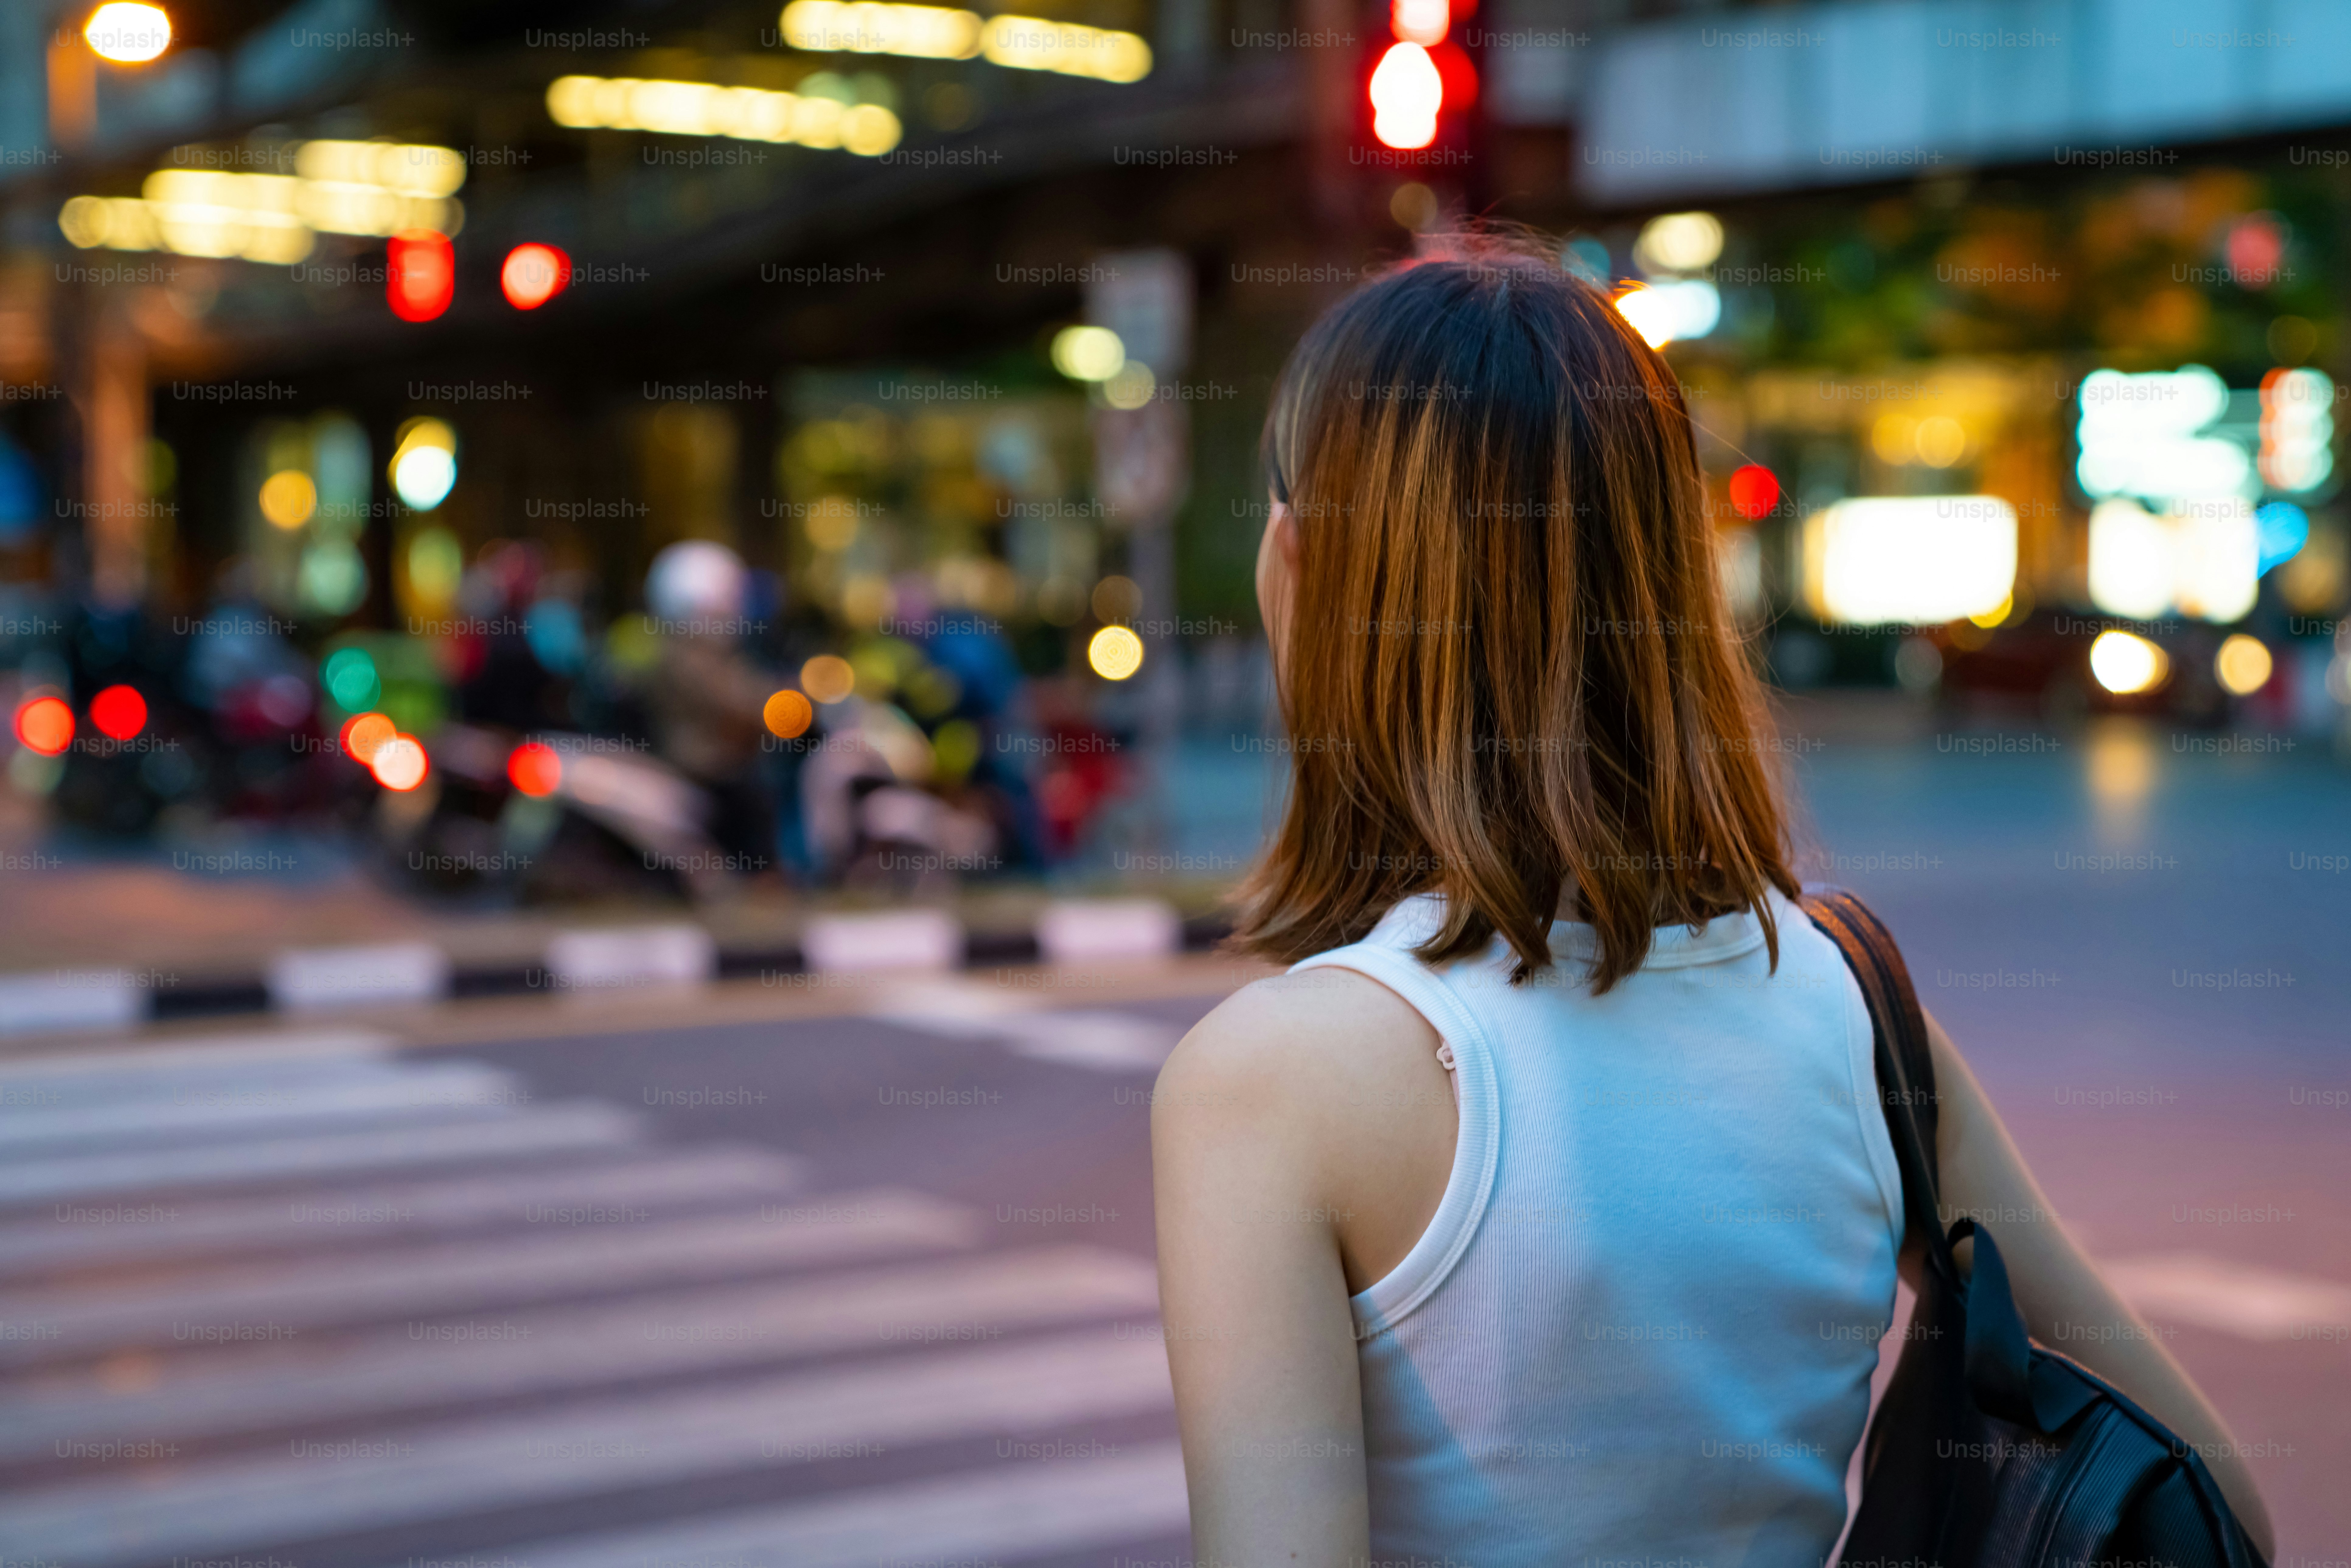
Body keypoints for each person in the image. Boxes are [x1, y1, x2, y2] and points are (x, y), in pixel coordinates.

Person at [1149, 238, 2275, 1566]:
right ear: (1669, 586)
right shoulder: (1858, 1014)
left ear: (1306, 568)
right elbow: (2208, 1500)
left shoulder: (1271, 1080)